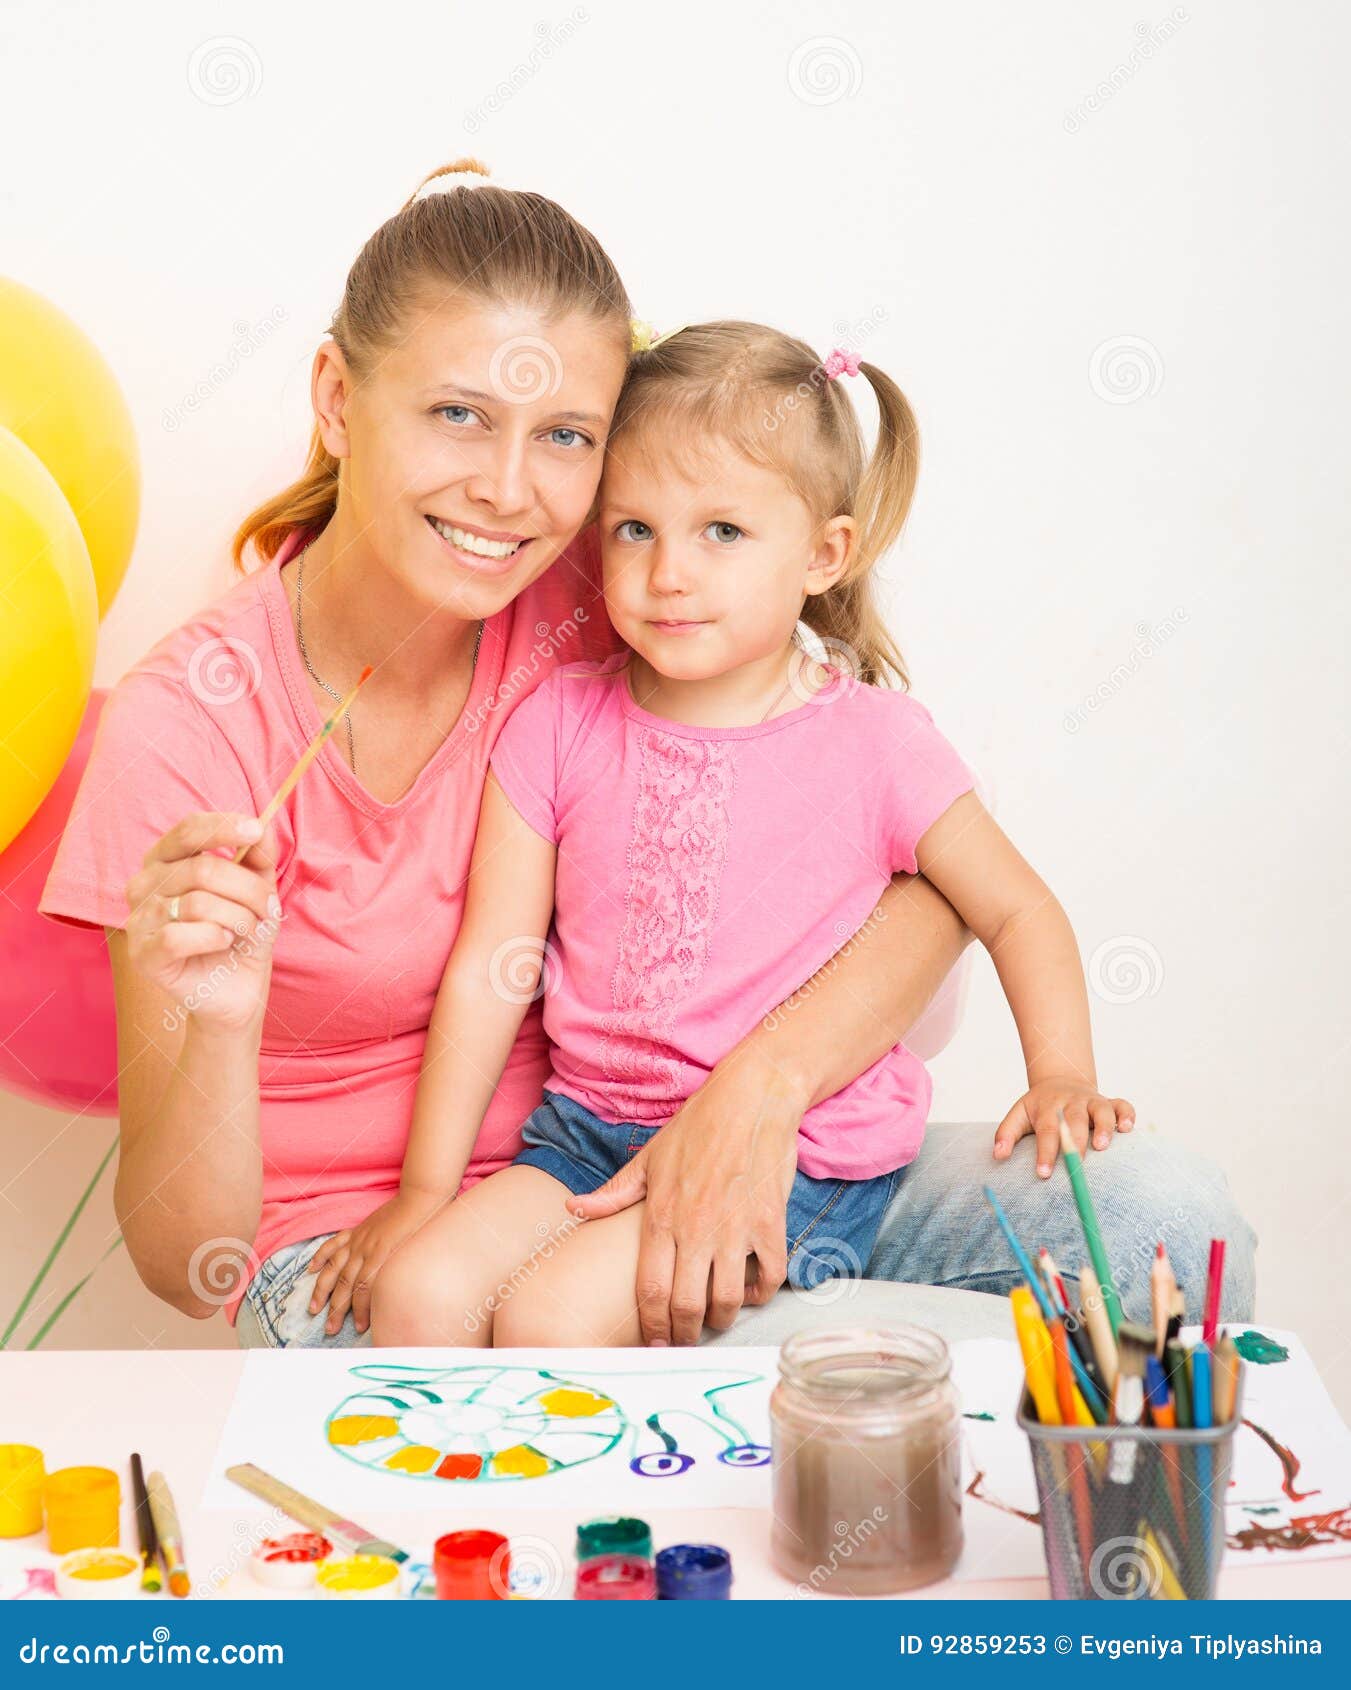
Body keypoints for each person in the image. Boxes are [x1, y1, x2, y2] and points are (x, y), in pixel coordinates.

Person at [40, 161, 1255, 1350]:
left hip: (734, 1141)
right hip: (374, 1242)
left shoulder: (618, 586)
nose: (509, 490)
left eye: (565, 435)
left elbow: (929, 878)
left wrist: (756, 1095)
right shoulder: (189, 723)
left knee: (1160, 1222)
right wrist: (216, 1023)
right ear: (339, 397)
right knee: (746, 1368)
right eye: (457, 413)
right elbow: (178, 1261)